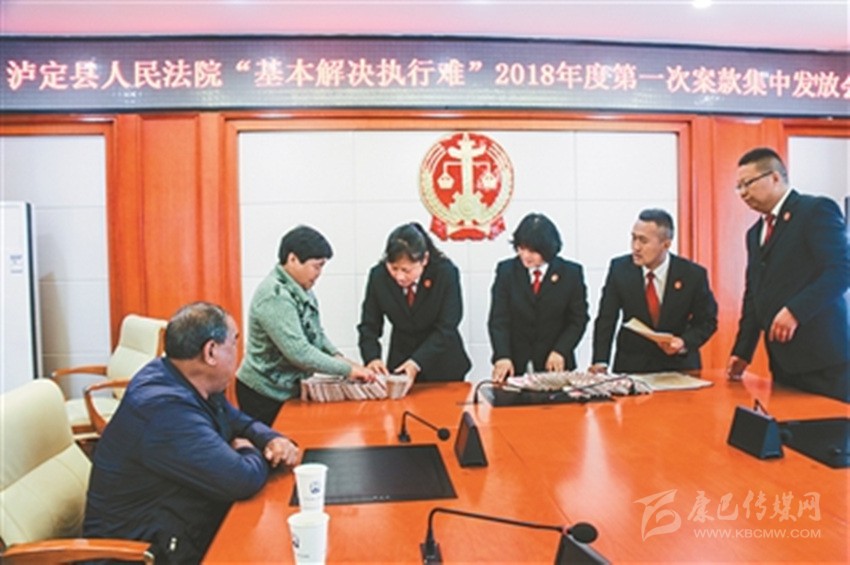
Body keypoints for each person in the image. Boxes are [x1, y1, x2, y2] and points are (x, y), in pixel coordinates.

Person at [84, 302, 300, 564]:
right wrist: (247, 448)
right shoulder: (164, 409)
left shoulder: (182, 377)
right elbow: (241, 479)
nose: (238, 352)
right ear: (211, 352)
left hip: (176, 527)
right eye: (234, 342)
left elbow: (238, 421)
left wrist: (272, 439)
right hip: (140, 554)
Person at [727, 147, 850, 402]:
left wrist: (795, 311)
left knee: (828, 426)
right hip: (783, 361)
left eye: (748, 183)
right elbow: (754, 295)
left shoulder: (814, 210)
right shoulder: (754, 233)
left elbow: (841, 269)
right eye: (738, 187)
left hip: (823, 358)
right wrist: (743, 351)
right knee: (787, 426)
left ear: (774, 177)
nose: (743, 193)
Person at [237, 225, 373, 425]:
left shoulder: (302, 288)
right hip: (264, 393)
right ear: (292, 259)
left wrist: (342, 359)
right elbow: (299, 353)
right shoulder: (275, 295)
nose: (319, 273)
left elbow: (316, 334)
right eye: (316, 266)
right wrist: (347, 370)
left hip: (287, 391)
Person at [590, 208, 718, 374]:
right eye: (634, 238)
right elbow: (606, 319)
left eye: (643, 241)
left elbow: (707, 321)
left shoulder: (692, 275)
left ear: (666, 244)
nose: (636, 247)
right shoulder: (620, 269)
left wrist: (683, 342)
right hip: (632, 366)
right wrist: (600, 361)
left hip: (678, 366)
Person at [358, 222, 471, 386]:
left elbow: (447, 326)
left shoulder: (445, 273)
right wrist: (372, 358)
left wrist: (416, 362)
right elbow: (369, 325)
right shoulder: (379, 277)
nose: (399, 277)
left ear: (424, 259)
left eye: (406, 270)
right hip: (401, 363)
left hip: (443, 364)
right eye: (394, 268)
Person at [487, 212, 589, 382]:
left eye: (533, 251)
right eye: (521, 248)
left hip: (554, 364)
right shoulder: (506, 271)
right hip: (515, 364)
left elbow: (578, 320)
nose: (525, 256)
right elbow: (499, 319)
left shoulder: (571, 273)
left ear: (548, 249)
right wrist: (502, 355)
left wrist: (561, 351)